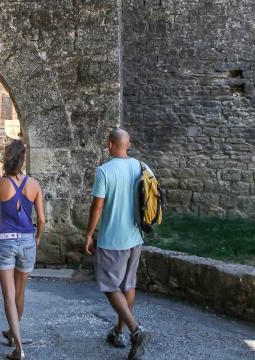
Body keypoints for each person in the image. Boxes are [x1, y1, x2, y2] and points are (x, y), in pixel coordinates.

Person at [83, 128, 152, 360]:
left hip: (112, 238)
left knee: (110, 287)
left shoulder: (104, 171)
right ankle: (118, 332)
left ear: (109, 144)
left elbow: (98, 206)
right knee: (128, 285)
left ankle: (135, 329)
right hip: (135, 236)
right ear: (128, 144)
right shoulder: (142, 167)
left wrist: (89, 233)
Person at [0, 140, 45, 360]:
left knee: (8, 295)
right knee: (20, 292)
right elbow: (42, 220)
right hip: (27, 240)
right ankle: (12, 332)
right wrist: (37, 237)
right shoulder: (34, 185)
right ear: (23, 158)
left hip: (5, 240)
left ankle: (18, 347)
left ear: (7, 158)